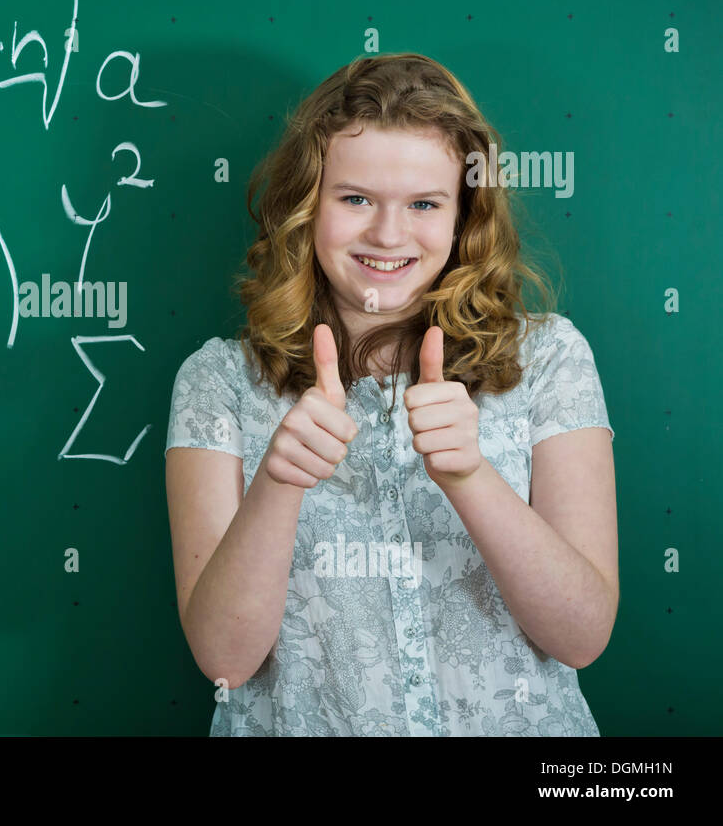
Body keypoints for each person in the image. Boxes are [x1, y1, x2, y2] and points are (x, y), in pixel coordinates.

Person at [164, 53, 617, 736]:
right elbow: (224, 661)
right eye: (355, 199)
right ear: (306, 206)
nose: (388, 234)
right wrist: (278, 484)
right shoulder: (219, 382)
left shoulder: (549, 358)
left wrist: (470, 477)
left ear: (465, 216)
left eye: (424, 204)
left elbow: (581, 636)